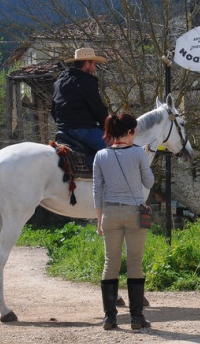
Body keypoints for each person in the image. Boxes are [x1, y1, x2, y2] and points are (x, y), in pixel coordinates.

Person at [93, 113, 154, 330]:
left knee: (111, 263)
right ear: (129, 132)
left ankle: (110, 318)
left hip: (110, 213)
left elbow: (97, 191)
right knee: (135, 262)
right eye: (135, 131)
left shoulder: (100, 155)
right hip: (134, 213)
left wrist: (99, 220)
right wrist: (145, 159)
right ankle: (136, 317)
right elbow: (149, 181)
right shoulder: (138, 153)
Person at [52, 47, 109, 159]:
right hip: (82, 129)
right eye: (93, 64)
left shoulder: (59, 81)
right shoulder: (86, 81)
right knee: (116, 150)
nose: (94, 67)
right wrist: (107, 126)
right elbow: (97, 108)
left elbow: (54, 109)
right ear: (87, 63)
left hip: (62, 130)